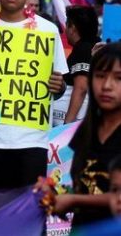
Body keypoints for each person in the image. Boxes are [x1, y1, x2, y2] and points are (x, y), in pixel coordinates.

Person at [0, 0, 68, 189]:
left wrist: (58, 86)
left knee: (30, 210)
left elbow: (59, 87)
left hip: (32, 141)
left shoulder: (48, 31)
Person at [48, 43, 121, 227]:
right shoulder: (87, 129)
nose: (106, 86)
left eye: (118, 78)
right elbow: (86, 184)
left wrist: (73, 201)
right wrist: (55, 191)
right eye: (100, 76)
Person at [58, 6, 100, 125]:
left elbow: (81, 87)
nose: (65, 30)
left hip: (76, 125)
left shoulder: (84, 49)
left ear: (73, 28)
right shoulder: (94, 46)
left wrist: (67, 124)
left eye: (67, 25)